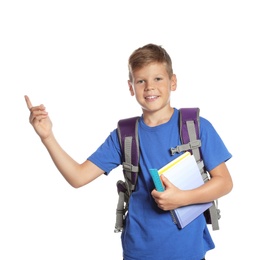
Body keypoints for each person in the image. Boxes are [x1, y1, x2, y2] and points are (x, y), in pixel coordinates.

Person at [25, 43, 233, 260]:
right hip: (139, 253)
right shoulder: (124, 136)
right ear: (131, 87)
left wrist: (182, 198)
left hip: (188, 252)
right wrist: (47, 137)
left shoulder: (196, 126)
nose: (149, 87)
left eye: (158, 79)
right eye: (141, 80)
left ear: (173, 82)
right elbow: (78, 177)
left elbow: (225, 182)